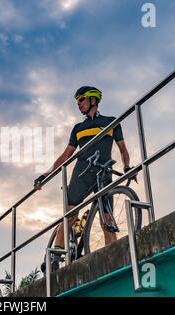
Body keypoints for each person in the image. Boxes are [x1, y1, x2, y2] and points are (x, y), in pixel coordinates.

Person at [34, 86, 135, 270]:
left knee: (107, 218)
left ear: (92, 100)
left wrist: (128, 167)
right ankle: (57, 253)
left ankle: (115, 260)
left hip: (103, 172)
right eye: (77, 101)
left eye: (81, 99)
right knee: (71, 214)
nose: (78, 104)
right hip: (81, 173)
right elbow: (66, 155)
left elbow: (123, 149)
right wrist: (46, 174)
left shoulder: (111, 122)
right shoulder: (78, 128)